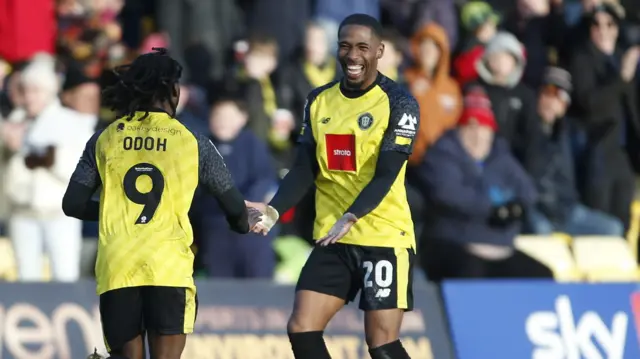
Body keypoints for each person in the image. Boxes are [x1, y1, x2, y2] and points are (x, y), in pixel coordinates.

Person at [61, 48, 261, 359]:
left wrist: (118, 208)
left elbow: (72, 204)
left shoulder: (104, 138)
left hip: (119, 266)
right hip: (168, 267)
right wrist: (243, 222)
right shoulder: (194, 142)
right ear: (174, 90)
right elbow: (233, 206)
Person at [247, 14, 420, 359]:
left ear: (379, 50)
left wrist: (353, 215)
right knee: (301, 327)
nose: (352, 55)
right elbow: (304, 168)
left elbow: (386, 174)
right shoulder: (318, 101)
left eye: (362, 47)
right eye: (345, 45)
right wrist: (274, 210)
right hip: (333, 236)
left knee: (382, 344)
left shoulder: (399, 104)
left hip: (382, 237)